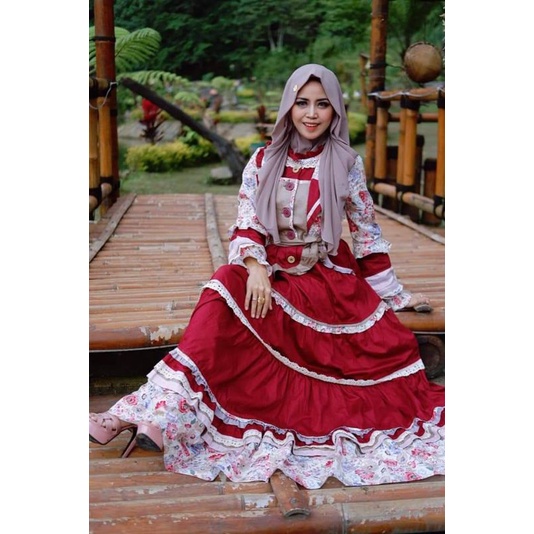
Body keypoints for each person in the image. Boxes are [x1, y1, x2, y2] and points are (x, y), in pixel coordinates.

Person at [90, 64, 444, 489]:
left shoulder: (347, 163)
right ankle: (147, 416)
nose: (311, 114)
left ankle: (141, 417)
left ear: (335, 111)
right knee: (224, 286)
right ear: (288, 107)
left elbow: (365, 232)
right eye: (302, 103)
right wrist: (256, 268)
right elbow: (248, 222)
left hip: (324, 278)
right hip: (268, 268)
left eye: (322, 104)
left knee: (235, 308)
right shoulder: (263, 159)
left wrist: (394, 294)